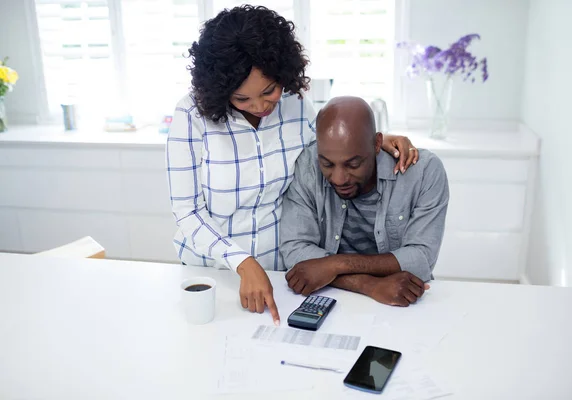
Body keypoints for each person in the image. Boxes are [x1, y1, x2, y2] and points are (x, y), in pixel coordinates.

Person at [167, 5, 420, 325]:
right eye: (242, 99)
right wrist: (243, 262)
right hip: (209, 274)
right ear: (219, 89)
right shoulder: (191, 115)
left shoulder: (296, 104)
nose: (259, 106)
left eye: (269, 91)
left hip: (282, 273)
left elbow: (333, 143)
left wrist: (377, 141)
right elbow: (187, 211)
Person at [280, 96, 449, 307]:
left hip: (402, 301)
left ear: (377, 143)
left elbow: (420, 260)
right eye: (328, 164)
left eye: (353, 164)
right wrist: (369, 286)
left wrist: (334, 264)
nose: (339, 179)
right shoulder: (308, 164)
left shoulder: (423, 172)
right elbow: (295, 252)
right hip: (332, 298)